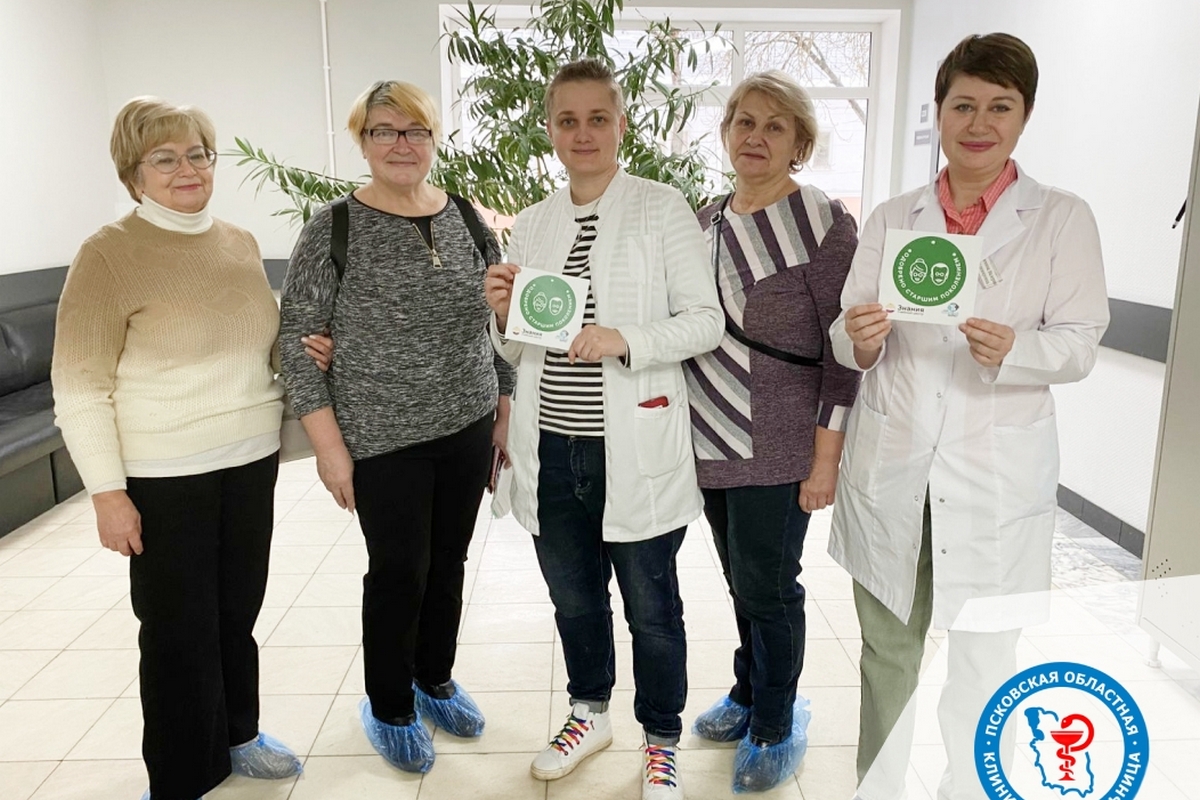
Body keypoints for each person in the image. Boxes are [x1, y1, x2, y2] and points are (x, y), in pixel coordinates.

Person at [829, 34, 1109, 800]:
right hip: (894, 474)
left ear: (1024, 115)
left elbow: (1080, 343)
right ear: (940, 111)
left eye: (999, 107)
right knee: (888, 657)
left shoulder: (1060, 219)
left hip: (994, 481)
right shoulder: (895, 217)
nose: (979, 123)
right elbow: (847, 333)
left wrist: (1018, 349)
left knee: (985, 662)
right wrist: (858, 338)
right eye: (964, 105)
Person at [51, 97, 303, 800]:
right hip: (164, 475)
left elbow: (258, 346)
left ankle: (239, 736)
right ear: (133, 173)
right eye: (164, 158)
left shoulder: (238, 243)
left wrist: (307, 351)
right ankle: (181, 778)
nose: (186, 168)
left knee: (236, 615)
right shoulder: (108, 254)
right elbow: (80, 383)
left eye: (198, 154)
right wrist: (107, 493)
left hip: (249, 461)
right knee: (174, 634)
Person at [484, 59, 723, 800]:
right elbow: (518, 347)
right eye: (568, 120)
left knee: (653, 610)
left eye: (597, 118)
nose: (582, 133)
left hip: (633, 448)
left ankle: (660, 740)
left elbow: (706, 321)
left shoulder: (661, 207)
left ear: (621, 125)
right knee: (575, 598)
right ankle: (589, 713)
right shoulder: (534, 221)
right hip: (552, 448)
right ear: (550, 130)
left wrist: (626, 339)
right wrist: (502, 315)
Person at [279, 80, 515, 774]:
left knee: (449, 562)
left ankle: (433, 678)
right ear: (363, 142)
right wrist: (329, 451)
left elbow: (498, 321)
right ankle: (389, 704)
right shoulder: (333, 228)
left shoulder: (467, 216)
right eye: (384, 131)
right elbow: (297, 342)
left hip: (467, 423)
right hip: (381, 437)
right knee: (398, 571)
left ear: (434, 140)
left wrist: (502, 408)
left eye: (415, 131)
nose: (401, 144)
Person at [684, 71, 860, 793]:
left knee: (770, 586)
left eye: (775, 126)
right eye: (744, 122)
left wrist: (826, 460)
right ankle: (749, 687)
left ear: (799, 144)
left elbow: (844, 351)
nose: (755, 136)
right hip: (707, 436)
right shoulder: (704, 220)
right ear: (726, 132)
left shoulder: (823, 224)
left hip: (783, 445)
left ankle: (775, 723)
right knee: (741, 581)